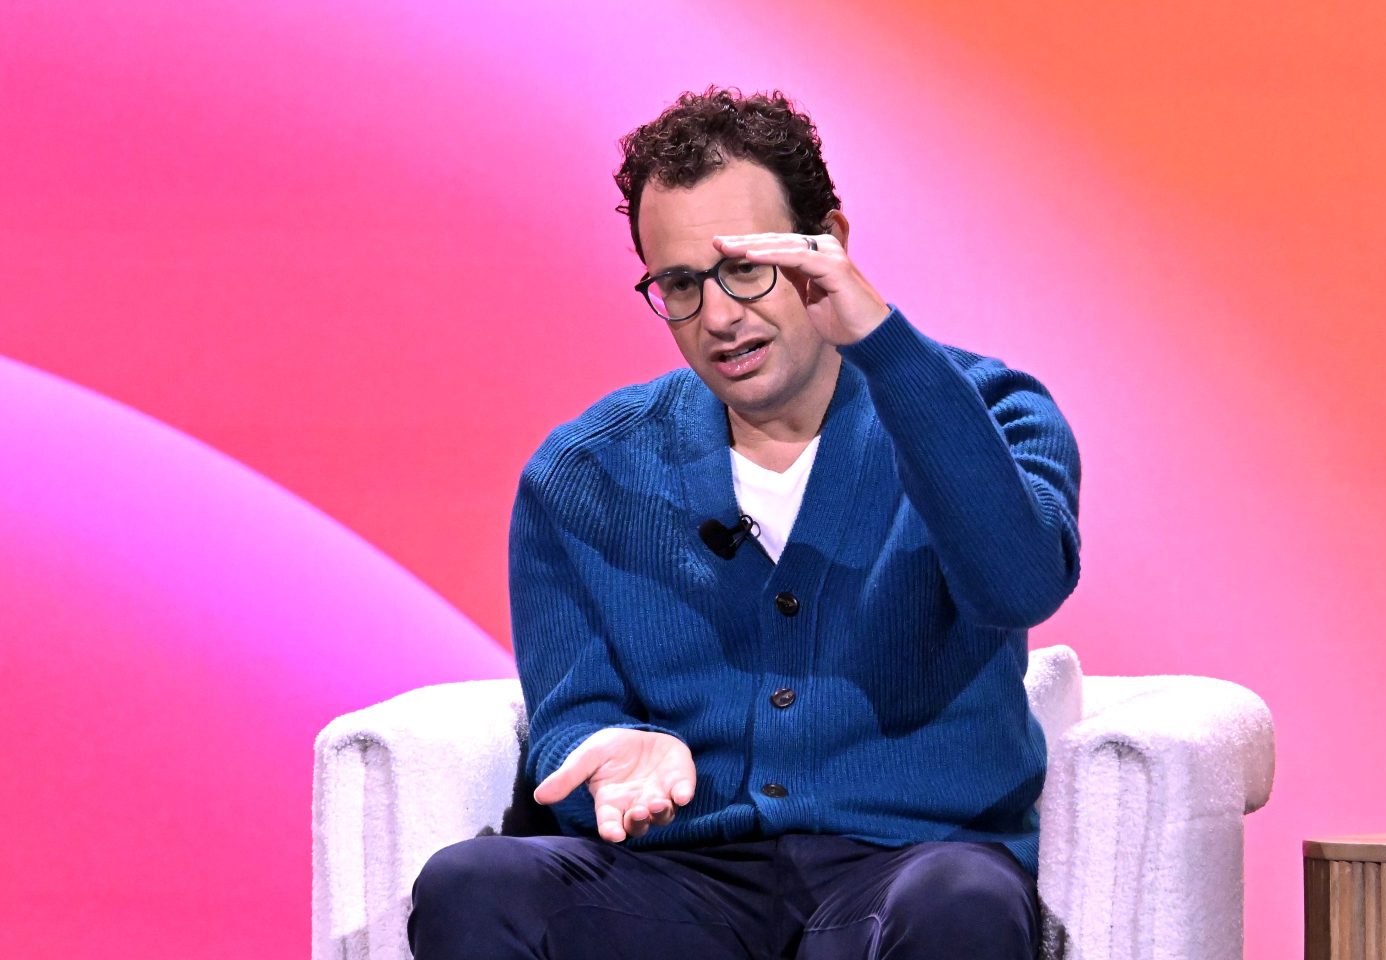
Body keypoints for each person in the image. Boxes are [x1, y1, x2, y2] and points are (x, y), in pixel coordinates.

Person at [407, 85, 1082, 960]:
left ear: (828, 245)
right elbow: (572, 718)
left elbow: (1020, 584)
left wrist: (885, 347)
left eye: (745, 269)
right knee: (472, 885)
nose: (719, 317)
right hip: (679, 883)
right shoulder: (582, 475)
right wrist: (609, 749)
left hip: (908, 870)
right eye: (681, 284)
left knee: (962, 900)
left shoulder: (989, 411)